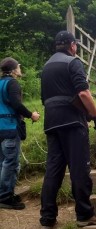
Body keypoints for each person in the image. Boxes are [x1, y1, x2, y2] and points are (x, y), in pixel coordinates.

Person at [39, 30, 96, 229]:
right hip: (71, 121)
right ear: (72, 45)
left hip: (51, 122)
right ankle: (85, 215)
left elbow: (45, 99)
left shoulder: (46, 66)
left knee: (53, 170)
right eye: (75, 45)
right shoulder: (73, 62)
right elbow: (84, 93)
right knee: (79, 168)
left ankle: (47, 219)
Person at [0, 57, 40, 210]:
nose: (20, 69)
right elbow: (16, 104)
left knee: (2, 162)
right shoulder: (13, 83)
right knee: (11, 163)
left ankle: (5, 193)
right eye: (19, 67)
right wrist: (31, 115)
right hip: (10, 127)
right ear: (14, 70)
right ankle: (5, 197)